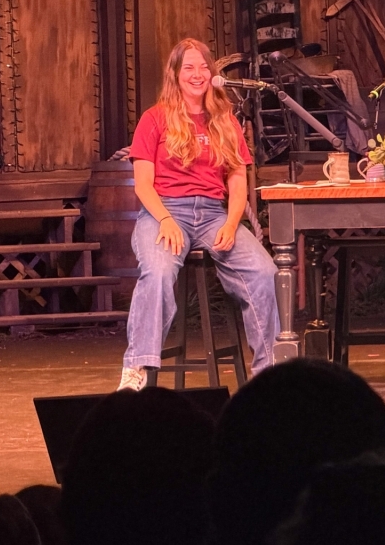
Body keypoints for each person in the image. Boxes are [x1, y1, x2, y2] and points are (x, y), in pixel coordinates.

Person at [118, 39, 278, 390]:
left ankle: (269, 376)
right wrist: (165, 220)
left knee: (264, 271)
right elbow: (143, 184)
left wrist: (233, 223)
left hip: (212, 213)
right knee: (158, 272)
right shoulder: (154, 118)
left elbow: (238, 182)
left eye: (204, 67)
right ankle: (137, 371)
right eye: (189, 67)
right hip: (164, 210)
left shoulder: (224, 121)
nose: (198, 74)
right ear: (175, 74)